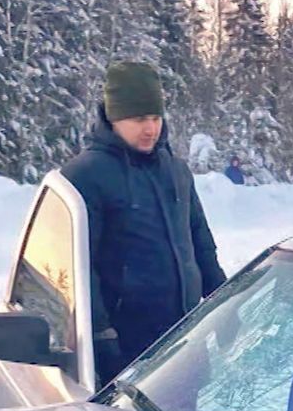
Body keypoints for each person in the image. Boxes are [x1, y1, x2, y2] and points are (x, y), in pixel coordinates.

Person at [63, 62, 227, 386]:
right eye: (139, 119)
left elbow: (199, 241)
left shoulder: (176, 170)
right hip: (125, 348)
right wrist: (101, 336)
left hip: (182, 339)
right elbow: (80, 268)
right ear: (114, 118)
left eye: (155, 118)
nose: (150, 128)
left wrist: (224, 302)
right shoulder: (86, 175)